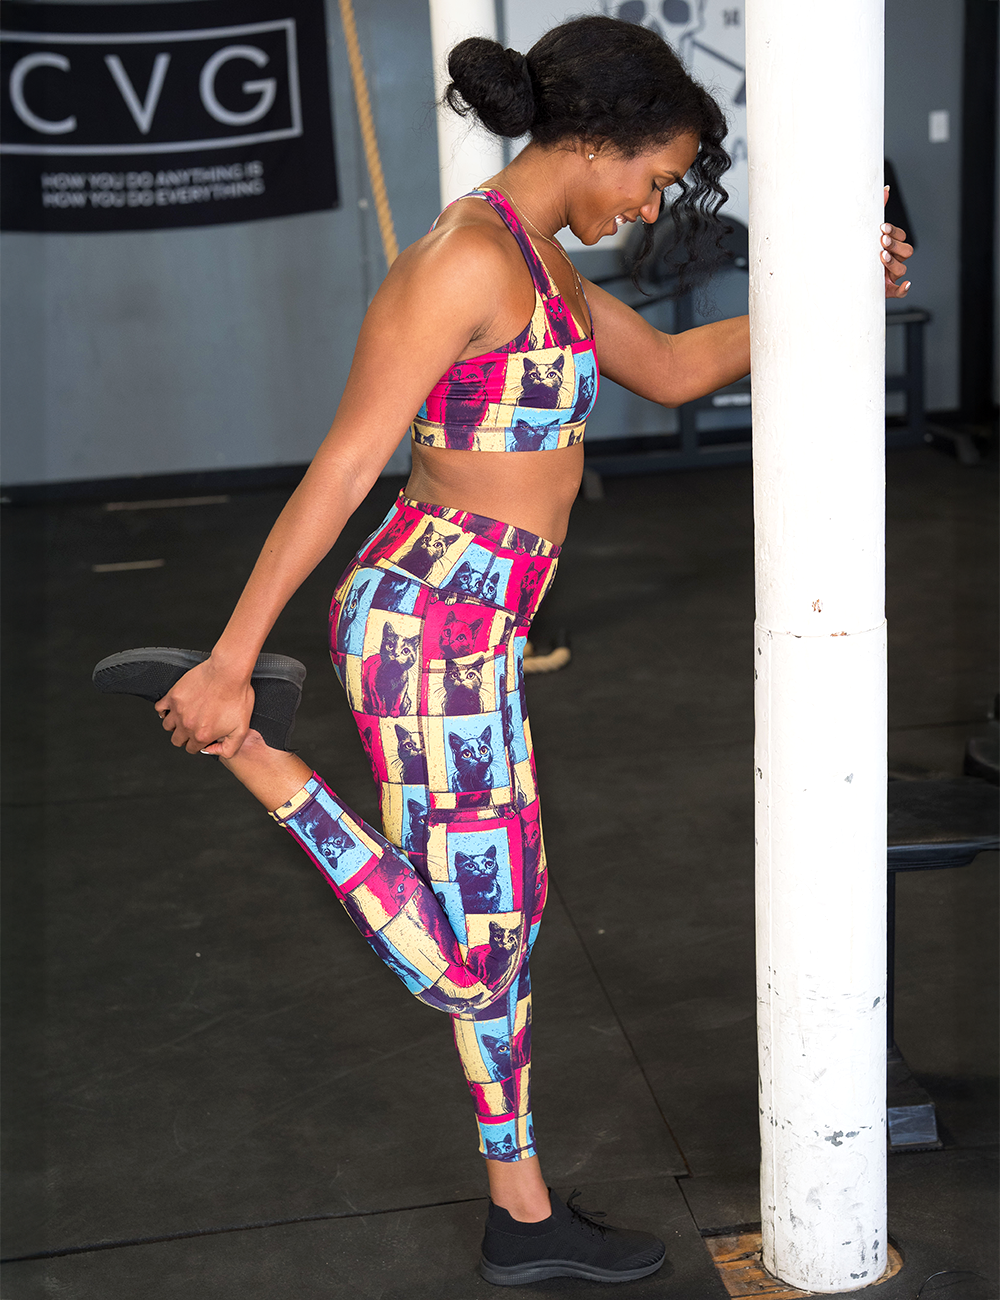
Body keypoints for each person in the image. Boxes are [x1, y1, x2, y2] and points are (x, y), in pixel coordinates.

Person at [93, 16, 911, 1286]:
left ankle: (521, 1215)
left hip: (475, 636)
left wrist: (835, 281)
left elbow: (684, 368)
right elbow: (349, 460)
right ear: (596, 138)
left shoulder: (545, 262)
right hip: (426, 631)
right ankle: (248, 747)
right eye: (653, 172)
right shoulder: (464, 262)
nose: (653, 200)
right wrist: (229, 652)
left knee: (506, 929)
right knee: (478, 955)